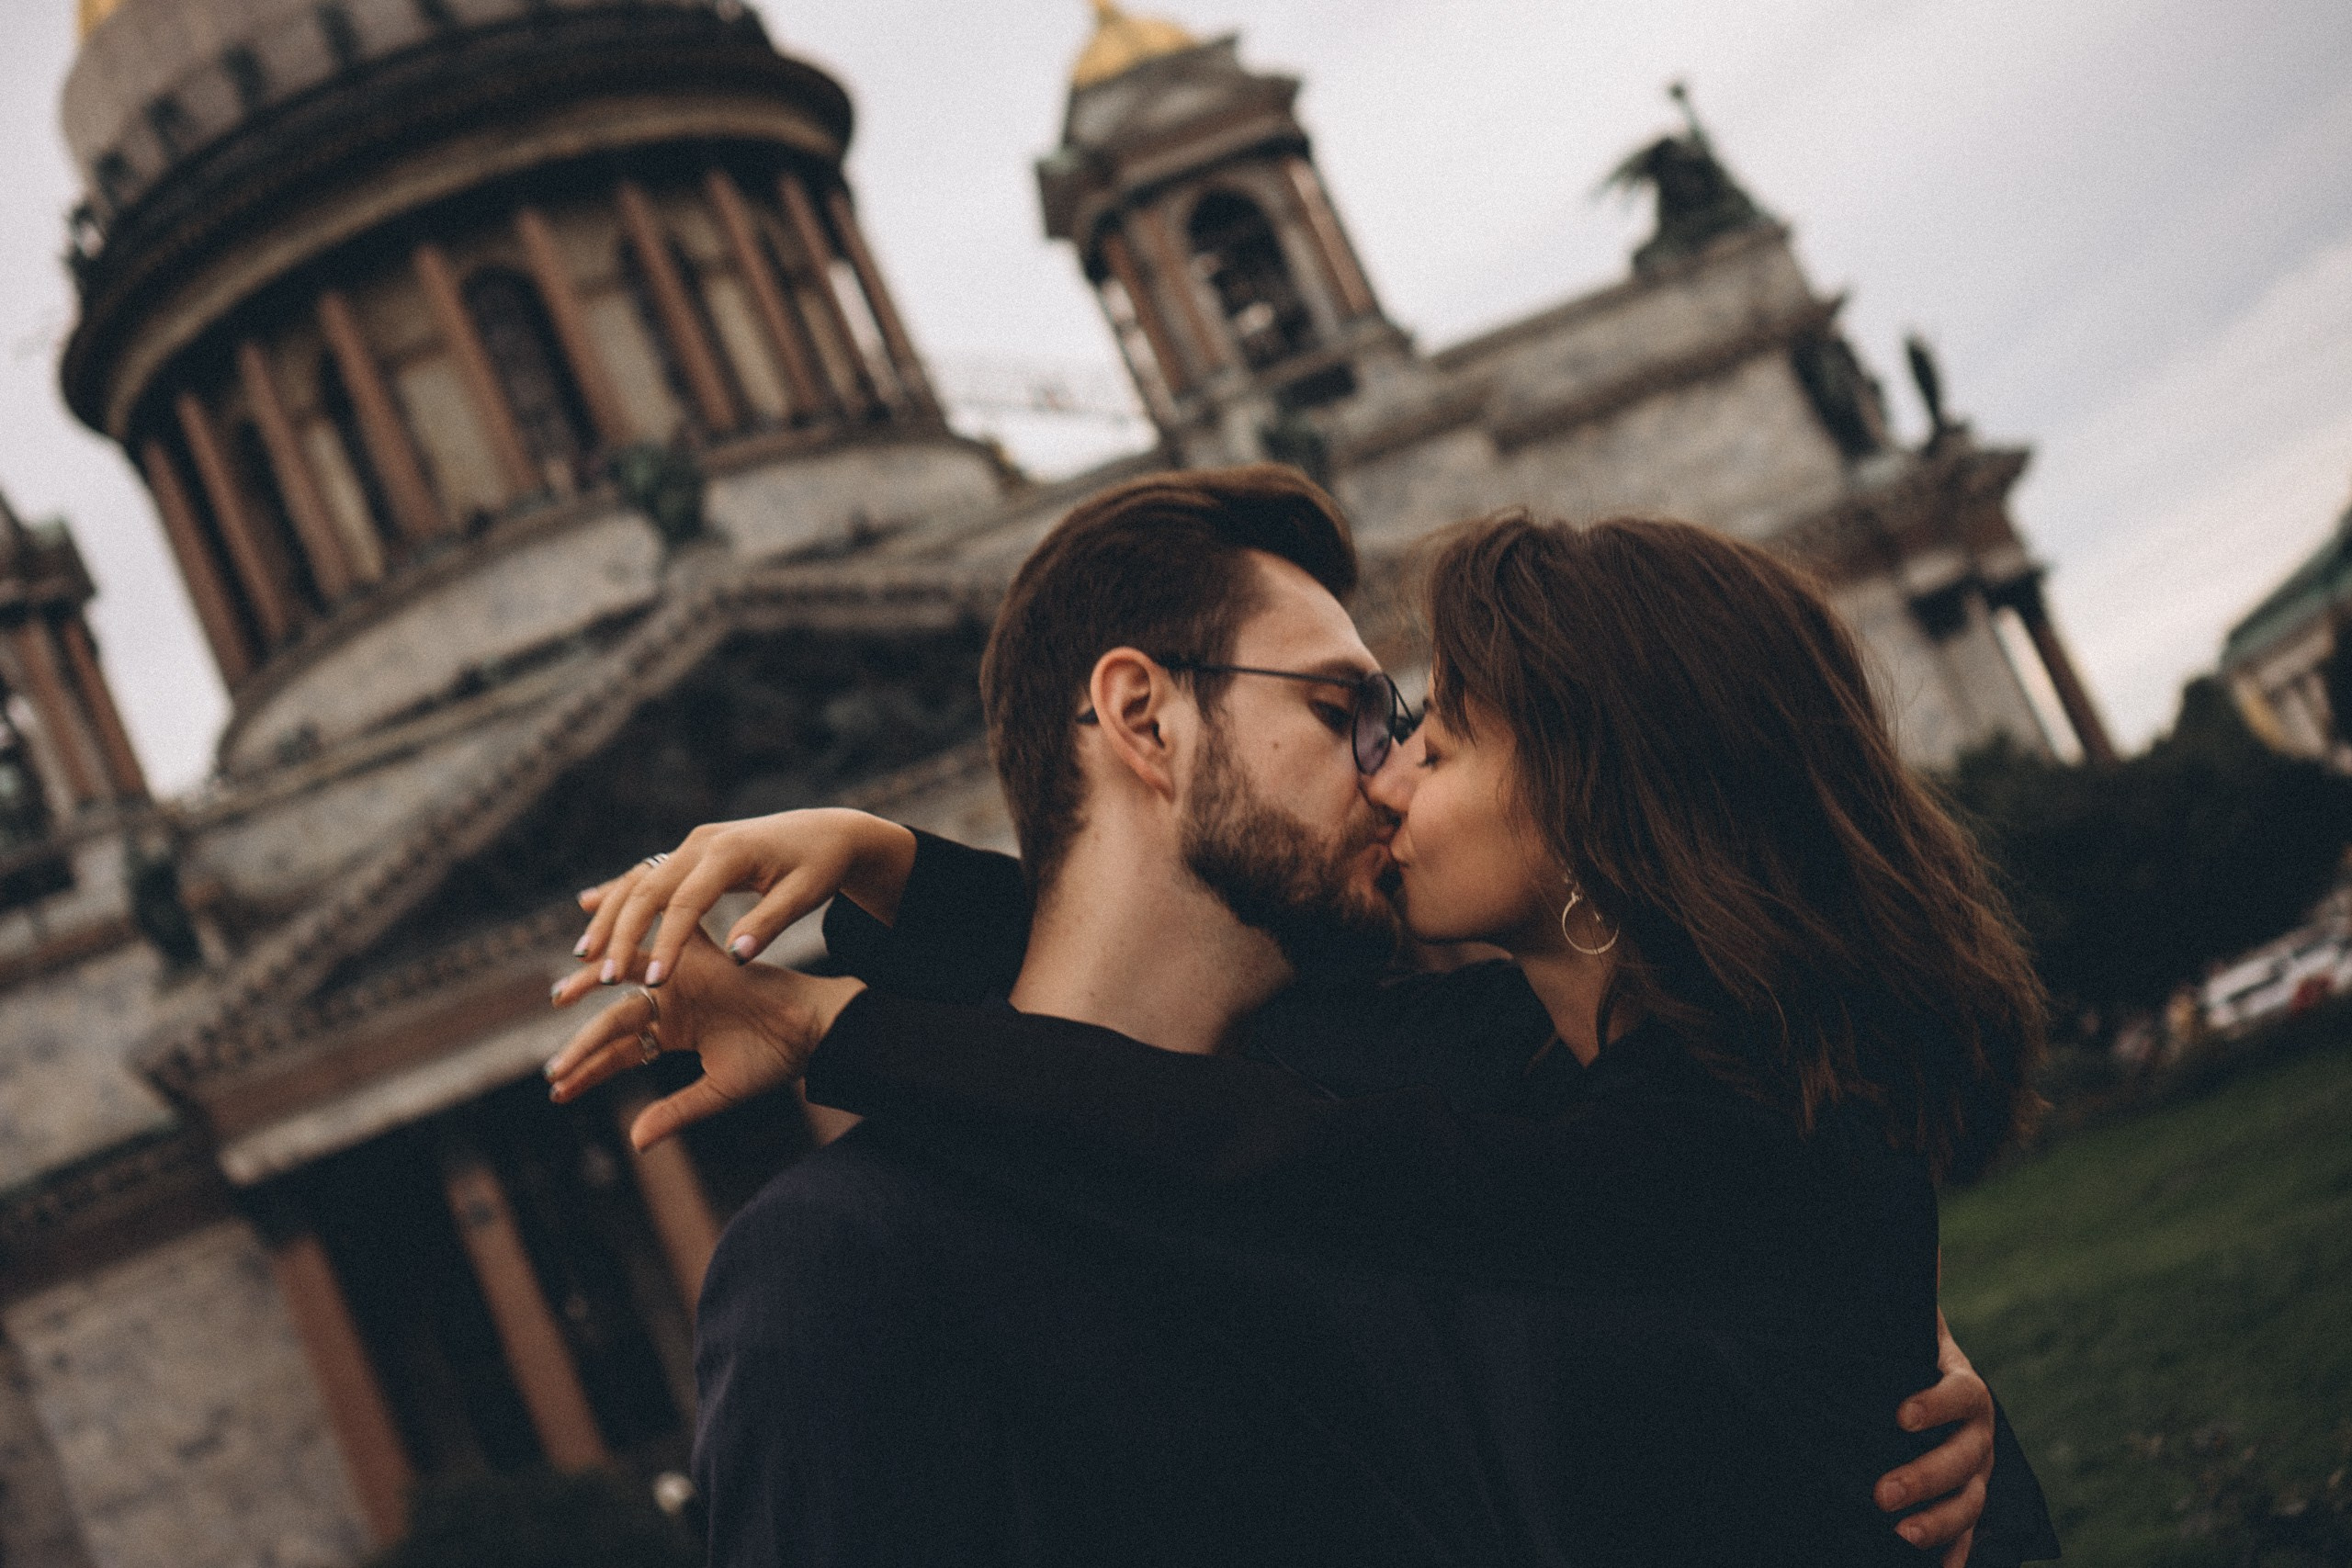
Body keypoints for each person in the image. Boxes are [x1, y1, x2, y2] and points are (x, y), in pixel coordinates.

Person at [549, 473, 2049, 1563]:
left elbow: (1233, 1139)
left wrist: (840, 1020)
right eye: (1352, 714)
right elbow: (1171, 1105)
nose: (1391, 776)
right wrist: (902, 880)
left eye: (1427, 736)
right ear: (1142, 719)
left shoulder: (1495, 1106)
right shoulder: (841, 1269)